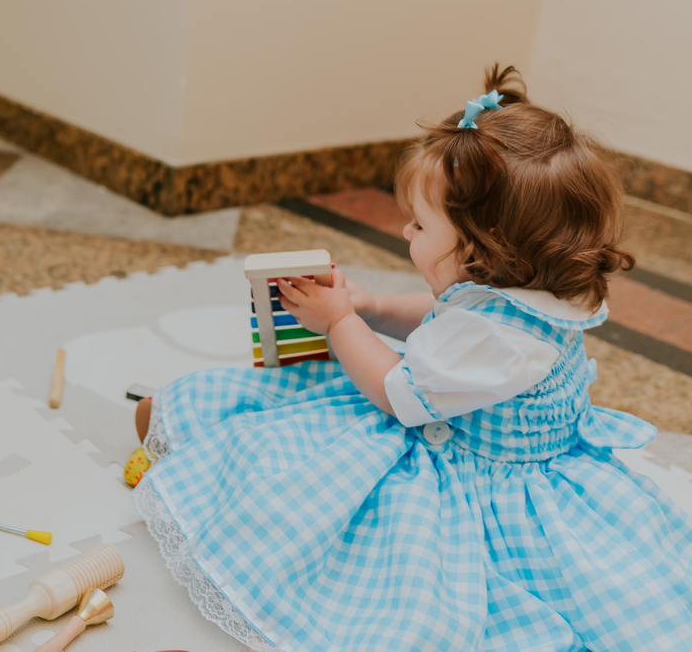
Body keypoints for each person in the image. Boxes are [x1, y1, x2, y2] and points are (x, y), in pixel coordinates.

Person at [132, 65, 692, 651]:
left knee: (316, 480)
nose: (405, 230)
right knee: (301, 399)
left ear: (485, 248)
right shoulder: (532, 292)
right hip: (448, 414)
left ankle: (193, 451)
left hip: (467, 469)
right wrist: (370, 306)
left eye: (422, 225)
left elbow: (397, 395)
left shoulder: (497, 340)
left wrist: (339, 322)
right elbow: (445, 316)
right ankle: (185, 427)